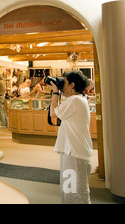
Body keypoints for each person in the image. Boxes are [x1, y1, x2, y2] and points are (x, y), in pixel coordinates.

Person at [49, 71, 92, 204]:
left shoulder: (75, 101)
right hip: (74, 152)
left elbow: (53, 113)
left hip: (74, 153)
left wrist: (56, 92)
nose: (62, 86)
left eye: (64, 83)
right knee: (73, 191)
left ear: (72, 85)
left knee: (74, 193)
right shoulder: (78, 99)